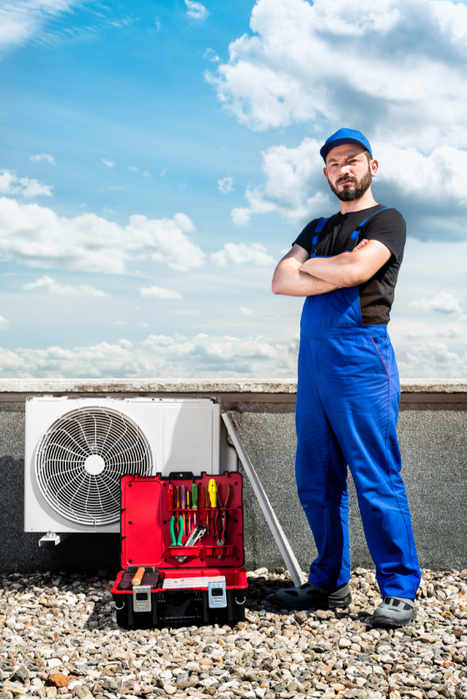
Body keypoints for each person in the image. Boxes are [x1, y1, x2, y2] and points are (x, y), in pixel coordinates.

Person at [271, 128, 421, 627]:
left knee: (376, 476)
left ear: (371, 166)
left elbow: (359, 269)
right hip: (312, 362)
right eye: (334, 163)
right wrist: (329, 266)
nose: (344, 169)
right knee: (315, 479)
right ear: (326, 173)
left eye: (352, 160)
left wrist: (313, 269)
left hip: (361, 357)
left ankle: (399, 588)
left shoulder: (387, 219)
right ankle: (329, 582)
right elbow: (279, 280)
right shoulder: (315, 226)